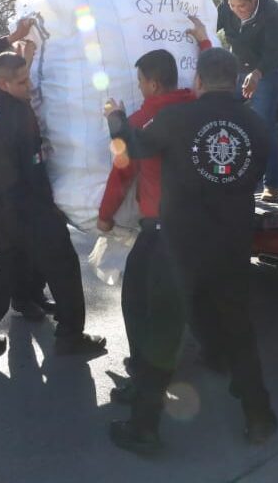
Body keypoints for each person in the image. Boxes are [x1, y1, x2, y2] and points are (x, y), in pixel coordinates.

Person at [104, 48, 278, 452]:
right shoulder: (256, 125)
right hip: (232, 245)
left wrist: (115, 118)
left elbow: (133, 146)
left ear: (198, 80)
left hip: (179, 246)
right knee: (239, 330)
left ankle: (144, 428)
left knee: (163, 334)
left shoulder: (176, 118)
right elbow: (251, 176)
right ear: (234, 80)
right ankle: (259, 417)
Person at [0, 20, 106, 357]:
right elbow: (34, 173)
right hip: (23, 205)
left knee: (8, 262)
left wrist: (11, 39)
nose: (30, 87)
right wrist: (54, 211)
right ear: (3, 82)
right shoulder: (17, 115)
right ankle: (70, 336)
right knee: (63, 264)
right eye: (23, 82)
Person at [95, 48, 197, 415]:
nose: (138, 88)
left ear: (153, 83)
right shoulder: (196, 106)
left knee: (139, 305)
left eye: (140, 81)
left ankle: (146, 383)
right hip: (195, 227)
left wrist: (105, 215)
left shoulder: (144, 118)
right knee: (173, 305)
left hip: (160, 229)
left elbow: (122, 170)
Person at [216, 0, 278, 200]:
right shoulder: (225, 9)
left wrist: (256, 74)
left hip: (267, 71)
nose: (237, 11)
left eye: (242, 6)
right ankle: (223, 176)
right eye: (233, 6)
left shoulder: (272, 12)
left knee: (263, 125)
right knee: (219, 116)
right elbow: (208, 26)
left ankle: (271, 184)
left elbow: (274, 52)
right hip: (237, 69)